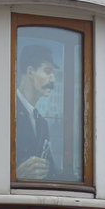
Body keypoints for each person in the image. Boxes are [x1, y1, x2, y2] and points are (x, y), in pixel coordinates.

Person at [15, 44, 60, 181]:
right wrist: (16, 175)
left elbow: (51, 171)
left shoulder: (41, 122)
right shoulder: (6, 110)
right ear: (30, 72)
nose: (53, 79)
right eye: (47, 71)